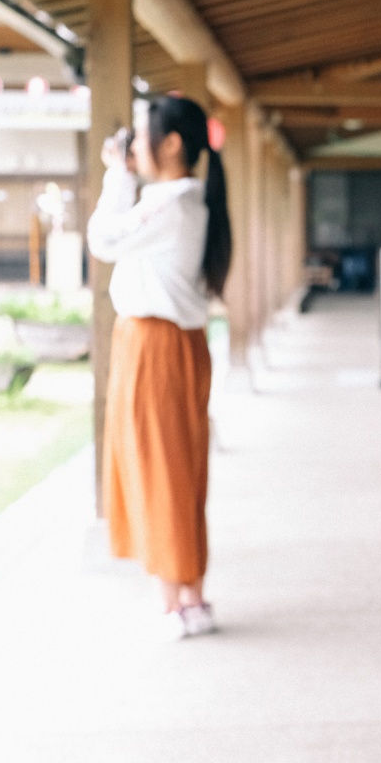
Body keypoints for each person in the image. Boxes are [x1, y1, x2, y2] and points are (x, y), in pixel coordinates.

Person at [87, 95, 232, 640]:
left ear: (172, 144)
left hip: (153, 347)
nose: (135, 145)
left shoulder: (168, 204)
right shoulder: (187, 203)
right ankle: (190, 595)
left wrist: (114, 177)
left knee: (156, 468)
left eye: (144, 134)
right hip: (179, 346)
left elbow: (103, 239)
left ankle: (171, 603)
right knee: (180, 467)